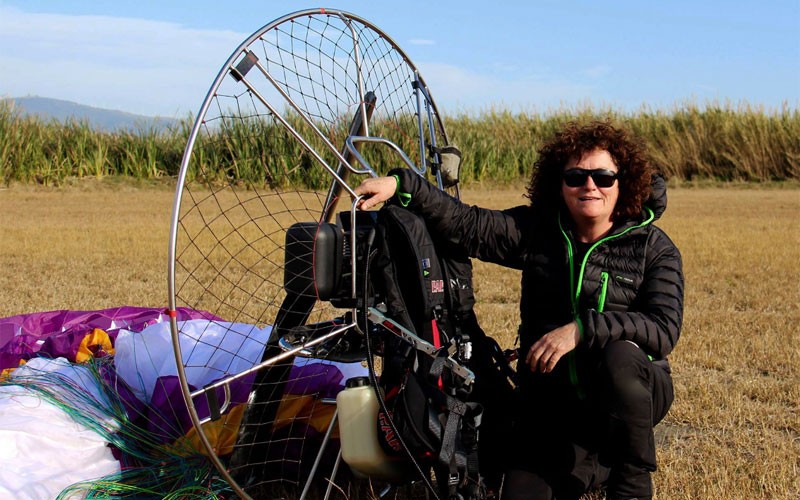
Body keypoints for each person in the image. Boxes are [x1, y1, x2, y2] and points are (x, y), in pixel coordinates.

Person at [354, 120, 683, 500]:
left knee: (620, 357)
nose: (590, 185)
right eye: (576, 176)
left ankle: (630, 481)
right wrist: (402, 185)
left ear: (623, 182)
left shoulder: (653, 248)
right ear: (559, 185)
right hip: (554, 410)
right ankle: (596, 463)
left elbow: (663, 327)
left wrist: (579, 329)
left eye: (603, 177)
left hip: (626, 395)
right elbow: (467, 224)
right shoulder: (538, 232)